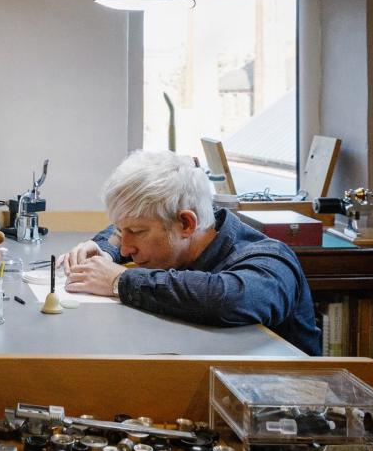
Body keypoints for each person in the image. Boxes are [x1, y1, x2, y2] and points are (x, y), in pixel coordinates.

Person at [62, 149, 322, 355]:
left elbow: (226, 299)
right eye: (123, 231)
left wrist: (119, 281)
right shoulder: (170, 232)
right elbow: (120, 231)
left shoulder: (269, 260)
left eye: (137, 232)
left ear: (186, 223)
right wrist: (105, 251)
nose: (127, 247)